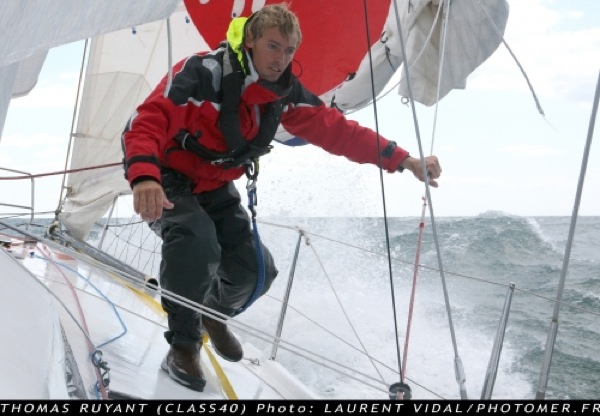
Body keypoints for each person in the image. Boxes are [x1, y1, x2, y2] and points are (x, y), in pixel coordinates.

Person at [121, 3, 441, 392]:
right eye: (273, 46)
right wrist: (144, 177)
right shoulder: (201, 73)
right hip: (164, 175)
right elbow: (147, 122)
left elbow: (337, 131)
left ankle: (212, 314)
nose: (281, 59)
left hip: (213, 183)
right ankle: (183, 347)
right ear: (250, 41)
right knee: (196, 239)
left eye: (289, 50)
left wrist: (404, 160)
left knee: (255, 271)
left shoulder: (284, 93)